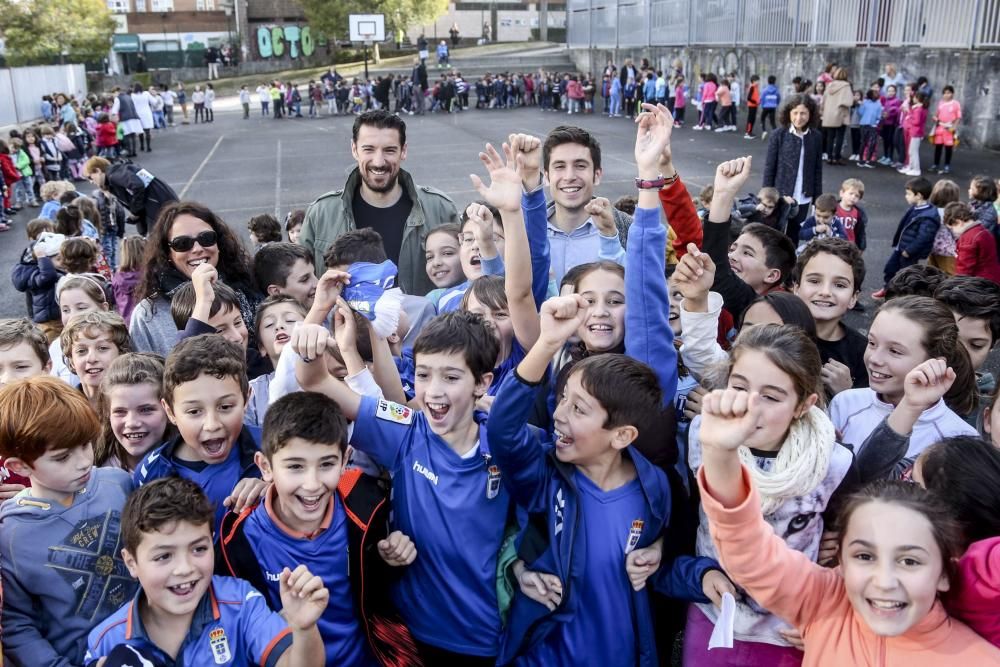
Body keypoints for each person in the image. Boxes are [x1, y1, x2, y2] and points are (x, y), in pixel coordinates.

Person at [694, 387, 1000, 664]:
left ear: (947, 570)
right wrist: (720, 456)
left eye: (909, 560)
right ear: (840, 556)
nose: (884, 581)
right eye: (864, 556)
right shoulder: (826, 601)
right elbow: (750, 551)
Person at [293, 309, 512, 665]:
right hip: (408, 633)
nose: (433, 391)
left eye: (451, 376)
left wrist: (526, 569)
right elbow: (316, 382)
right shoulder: (406, 429)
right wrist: (307, 349)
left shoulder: (507, 447)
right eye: (423, 375)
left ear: (482, 383)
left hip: (482, 637)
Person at [216, 391, 421, 665]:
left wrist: (390, 561)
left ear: (345, 459)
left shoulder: (365, 502)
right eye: (295, 466)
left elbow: (374, 586)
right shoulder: (237, 540)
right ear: (266, 467)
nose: (312, 484)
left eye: (326, 464)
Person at [85, 477, 329, 665]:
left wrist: (305, 629)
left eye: (198, 549)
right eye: (163, 556)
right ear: (131, 563)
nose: (185, 568)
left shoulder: (241, 603)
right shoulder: (105, 641)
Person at [0, 376, 135, 666]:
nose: (84, 461)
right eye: (62, 457)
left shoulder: (119, 484)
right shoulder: (10, 534)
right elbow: (17, 625)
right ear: (20, 465)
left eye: (86, 445)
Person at [300, 110, 459, 296]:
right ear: (354, 149)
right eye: (369, 149)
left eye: (389, 150)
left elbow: (472, 278)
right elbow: (300, 287)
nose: (379, 161)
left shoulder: (440, 209)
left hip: (426, 325)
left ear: (404, 151)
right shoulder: (321, 214)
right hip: (343, 324)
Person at [133, 334, 266, 526]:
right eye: (194, 411)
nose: (212, 424)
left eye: (226, 407)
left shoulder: (273, 450)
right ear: (170, 411)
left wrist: (274, 492)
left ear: (246, 399)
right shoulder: (152, 471)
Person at [830, 295, 978, 463]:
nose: (875, 359)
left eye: (895, 351)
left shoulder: (960, 438)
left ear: (935, 363)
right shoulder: (845, 403)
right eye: (872, 343)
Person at [128, 201, 260, 357]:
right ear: (167, 253)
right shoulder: (148, 315)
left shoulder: (248, 288)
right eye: (182, 243)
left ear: (219, 243)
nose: (197, 249)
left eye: (206, 238)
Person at [94, 352, 173, 471]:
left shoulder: (187, 471)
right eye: (120, 411)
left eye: (146, 410)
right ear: (107, 413)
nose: (131, 423)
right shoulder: (91, 468)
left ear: (169, 411)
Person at [763, 94, 823, 242]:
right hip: (781, 194)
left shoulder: (816, 137)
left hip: (803, 196)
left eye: (803, 113)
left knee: (794, 234)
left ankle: (791, 263)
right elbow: (770, 167)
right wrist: (766, 195)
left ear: (811, 114)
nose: (798, 117)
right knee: (774, 234)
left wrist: (817, 200)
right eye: (795, 113)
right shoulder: (778, 135)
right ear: (788, 113)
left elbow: (817, 169)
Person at [872, 177, 939, 299]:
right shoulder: (915, 208)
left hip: (908, 252)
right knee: (890, 269)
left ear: (918, 195)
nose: (906, 196)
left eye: (908, 194)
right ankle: (888, 289)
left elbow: (924, 237)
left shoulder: (929, 217)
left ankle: (901, 297)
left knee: (906, 276)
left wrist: (909, 251)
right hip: (901, 248)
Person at [82, 156, 178, 237]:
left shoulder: (114, 174)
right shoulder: (119, 172)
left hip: (161, 206)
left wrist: (135, 211)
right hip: (161, 204)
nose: (91, 182)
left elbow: (138, 186)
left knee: (160, 240)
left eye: (90, 177)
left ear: (98, 170)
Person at [60, 310, 131, 410]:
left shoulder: (136, 404)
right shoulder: (63, 410)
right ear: (71, 361)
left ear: (121, 353)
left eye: (102, 348)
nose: (92, 359)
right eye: (81, 351)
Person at [943, 202, 1000, 283]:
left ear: (959, 222)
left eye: (952, 228)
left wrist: (956, 284)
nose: (952, 231)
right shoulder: (984, 231)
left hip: (979, 283)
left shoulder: (967, 239)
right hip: (994, 277)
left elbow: (964, 269)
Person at [930, 85, 961, 174]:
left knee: (948, 148)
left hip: (949, 128)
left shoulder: (956, 103)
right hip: (940, 127)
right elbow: (936, 114)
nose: (946, 95)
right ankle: (935, 164)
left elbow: (958, 117)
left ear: (952, 94)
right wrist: (935, 118)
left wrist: (954, 127)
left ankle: (947, 165)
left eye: (948, 93)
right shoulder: (941, 103)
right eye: (945, 93)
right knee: (938, 147)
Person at [899, 91, 929, 176]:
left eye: (915, 97)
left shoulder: (919, 109)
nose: (914, 99)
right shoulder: (918, 108)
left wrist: (909, 117)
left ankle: (916, 169)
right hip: (914, 131)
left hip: (916, 132)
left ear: (919, 99)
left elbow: (917, 121)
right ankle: (911, 167)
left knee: (913, 151)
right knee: (911, 151)